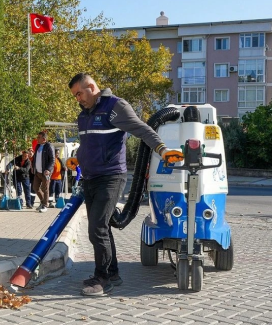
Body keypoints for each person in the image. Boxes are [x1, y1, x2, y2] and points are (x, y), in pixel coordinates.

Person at [68, 73, 183, 296]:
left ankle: (103, 280)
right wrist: (78, 158)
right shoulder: (84, 115)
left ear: (91, 87)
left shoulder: (115, 106)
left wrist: (163, 149)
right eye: (75, 96)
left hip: (110, 177)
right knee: (101, 227)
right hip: (90, 178)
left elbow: (142, 129)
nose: (77, 99)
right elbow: (87, 144)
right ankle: (113, 273)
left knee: (97, 228)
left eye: (79, 93)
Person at [32, 131, 55, 212]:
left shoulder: (49, 146)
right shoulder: (38, 146)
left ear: (44, 139)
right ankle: (43, 202)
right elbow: (35, 158)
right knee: (35, 187)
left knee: (45, 188)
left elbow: (52, 160)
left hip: (45, 172)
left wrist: (48, 169)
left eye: (39, 137)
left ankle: (45, 205)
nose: (37, 139)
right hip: (37, 171)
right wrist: (33, 166)